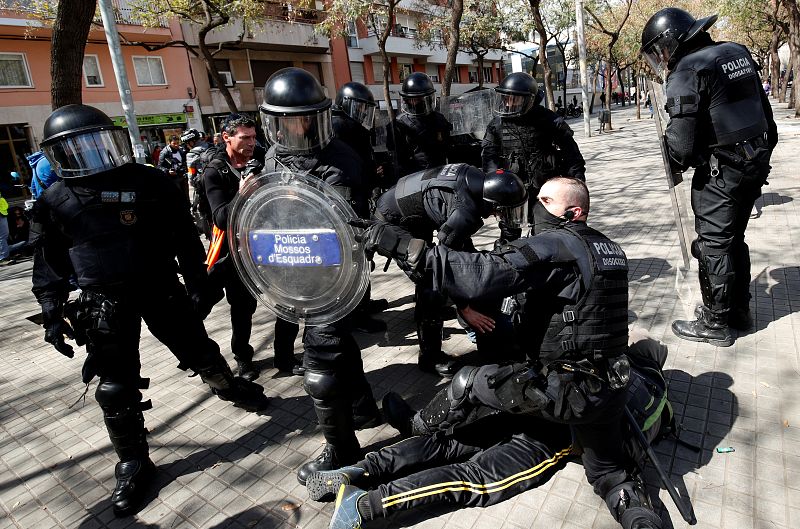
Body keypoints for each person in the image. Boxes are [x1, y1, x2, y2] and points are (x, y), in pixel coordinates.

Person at [353, 177, 663, 529]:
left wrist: (402, 245)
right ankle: (638, 515)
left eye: (545, 201)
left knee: (471, 381)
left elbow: (479, 275)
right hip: (605, 392)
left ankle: (417, 425)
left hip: (562, 391)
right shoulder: (612, 251)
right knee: (610, 474)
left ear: (574, 212)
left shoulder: (560, 244)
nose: (536, 207)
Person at [30, 104, 268, 516]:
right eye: (75, 148)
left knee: (200, 350)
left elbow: (183, 239)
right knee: (114, 386)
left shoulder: (151, 182)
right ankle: (133, 462)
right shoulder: (55, 200)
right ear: (58, 154)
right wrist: (52, 312)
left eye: (94, 144)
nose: (88, 154)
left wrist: (199, 285)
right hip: (103, 302)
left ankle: (229, 387)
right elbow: (48, 261)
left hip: (160, 287)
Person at [312, 330, 673, 529]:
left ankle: (360, 469)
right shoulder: (650, 388)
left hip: (543, 402)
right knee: (473, 478)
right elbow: (619, 471)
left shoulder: (608, 356)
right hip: (560, 433)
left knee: (449, 444)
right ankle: (365, 506)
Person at [259, 67, 383, 484]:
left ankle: (342, 447)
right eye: (284, 121)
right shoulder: (274, 154)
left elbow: (345, 230)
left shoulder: (340, 161)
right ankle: (364, 409)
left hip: (331, 275)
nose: (294, 128)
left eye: (301, 119)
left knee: (320, 362)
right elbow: (271, 209)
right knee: (337, 346)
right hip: (292, 270)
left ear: (316, 118)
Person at [641, 7, 779, 346]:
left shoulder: (687, 70)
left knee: (713, 244)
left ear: (669, 42)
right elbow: (767, 117)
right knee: (735, 238)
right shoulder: (736, 51)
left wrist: (673, 159)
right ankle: (739, 311)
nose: (661, 59)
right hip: (754, 160)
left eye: (658, 51)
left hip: (723, 170)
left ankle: (715, 322)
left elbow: (683, 147)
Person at [374, 163, 527, 376]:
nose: (502, 217)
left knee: (460, 264)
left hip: (412, 214)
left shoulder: (475, 180)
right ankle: (429, 357)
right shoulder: (465, 211)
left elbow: (462, 252)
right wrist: (465, 307)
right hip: (392, 222)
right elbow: (443, 265)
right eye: (504, 212)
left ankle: (435, 313)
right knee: (430, 279)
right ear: (493, 205)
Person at [203, 113, 272, 381]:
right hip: (223, 253)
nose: (252, 143)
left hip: (251, 250)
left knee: (243, 308)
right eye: (245, 138)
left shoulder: (259, 161)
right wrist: (242, 193)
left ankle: (243, 357)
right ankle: (199, 357)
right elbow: (220, 217)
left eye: (254, 137)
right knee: (200, 304)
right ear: (227, 138)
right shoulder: (215, 170)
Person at [482, 73, 585, 236]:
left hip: (545, 190)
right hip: (511, 191)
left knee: (545, 235)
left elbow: (572, 156)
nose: (509, 102)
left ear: (529, 100)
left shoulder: (550, 121)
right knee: (509, 238)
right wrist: (493, 189)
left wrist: (577, 185)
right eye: (506, 98)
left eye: (514, 98)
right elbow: (489, 158)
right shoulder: (496, 124)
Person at [331, 81, 391, 324]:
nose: (364, 114)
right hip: (348, 202)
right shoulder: (337, 126)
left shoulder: (354, 127)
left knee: (363, 254)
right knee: (355, 258)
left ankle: (364, 302)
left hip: (359, 198)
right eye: (360, 108)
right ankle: (357, 313)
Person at [394, 72, 453, 176]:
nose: (415, 103)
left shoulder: (439, 119)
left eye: (420, 99)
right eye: (412, 100)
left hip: (440, 173)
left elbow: (448, 147)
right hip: (414, 178)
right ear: (406, 100)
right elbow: (397, 159)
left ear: (429, 98)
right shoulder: (399, 124)